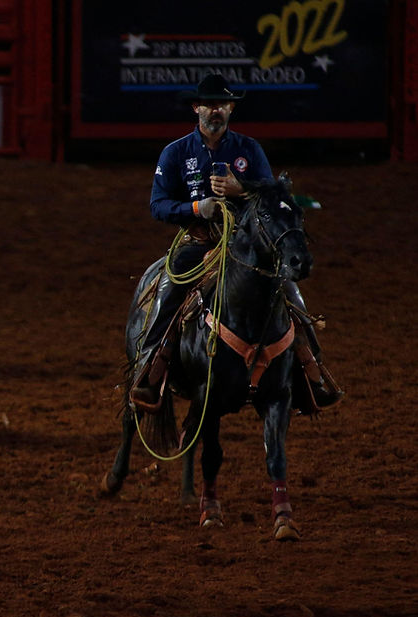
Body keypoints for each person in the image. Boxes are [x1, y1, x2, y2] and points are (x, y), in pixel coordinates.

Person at [130, 73, 342, 412]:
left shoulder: (249, 149)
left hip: (245, 246)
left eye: (224, 105)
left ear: (231, 110)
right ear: (197, 108)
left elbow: (272, 196)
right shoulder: (175, 153)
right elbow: (158, 204)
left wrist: (239, 190)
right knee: (169, 289)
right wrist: (197, 208)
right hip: (198, 242)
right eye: (210, 105)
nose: (217, 111)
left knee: (289, 292)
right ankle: (149, 371)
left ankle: (312, 373)